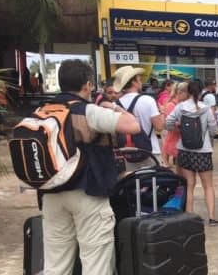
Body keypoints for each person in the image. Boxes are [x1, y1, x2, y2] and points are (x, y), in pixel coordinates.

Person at [41, 59, 140, 274]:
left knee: (55, 265)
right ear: (87, 84)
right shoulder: (88, 111)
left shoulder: (43, 111)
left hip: (50, 193)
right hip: (88, 193)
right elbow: (133, 125)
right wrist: (112, 105)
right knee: (96, 264)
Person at [166, 80, 218, 226]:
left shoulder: (180, 107)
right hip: (203, 152)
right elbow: (214, 129)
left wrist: (178, 127)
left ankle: (189, 216)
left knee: (189, 185)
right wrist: (207, 135)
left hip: (185, 150)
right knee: (208, 185)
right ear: (201, 91)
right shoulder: (206, 108)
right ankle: (212, 217)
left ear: (188, 92)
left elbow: (168, 122)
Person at [114, 66, 165, 159]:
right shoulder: (148, 100)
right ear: (134, 82)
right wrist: (162, 112)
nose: (141, 82)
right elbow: (159, 127)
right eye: (139, 79)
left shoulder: (114, 105)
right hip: (150, 152)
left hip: (125, 154)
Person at [160, 82, 186, 169]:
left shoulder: (180, 104)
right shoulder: (171, 105)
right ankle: (165, 162)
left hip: (180, 140)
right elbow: (170, 125)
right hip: (174, 139)